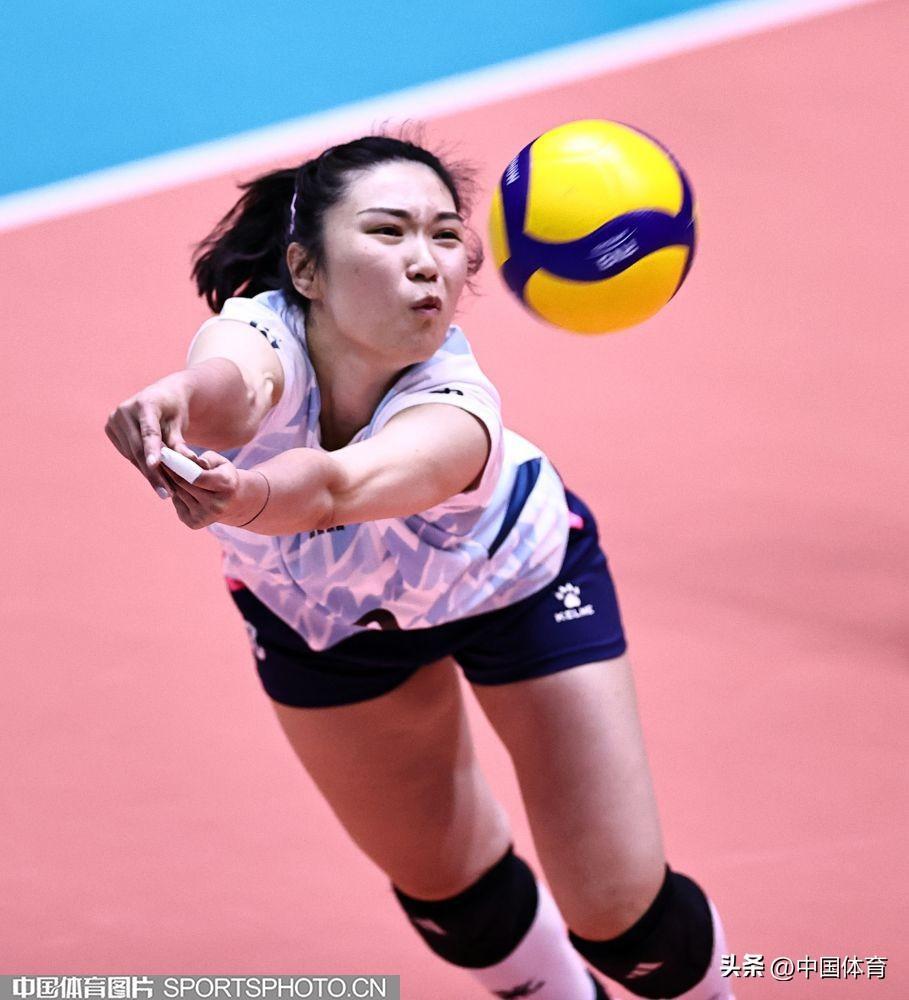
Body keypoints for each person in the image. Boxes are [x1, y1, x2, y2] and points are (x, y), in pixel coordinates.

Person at [105, 133, 733, 1000]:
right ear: (306, 269)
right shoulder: (255, 332)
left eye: (444, 235)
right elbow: (234, 392)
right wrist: (173, 401)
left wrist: (239, 493)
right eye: (388, 230)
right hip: (326, 629)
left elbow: (334, 488)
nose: (426, 259)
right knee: (457, 901)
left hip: (518, 587)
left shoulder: (456, 405)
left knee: (621, 918)